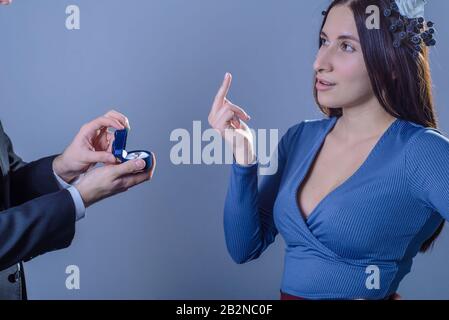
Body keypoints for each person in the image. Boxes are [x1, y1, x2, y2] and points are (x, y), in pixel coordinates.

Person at [208, 0, 447, 299]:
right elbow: (244, 248)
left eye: (346, 46)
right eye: (323, 41)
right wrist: (244, 159)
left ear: (392, 63)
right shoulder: (300, 138)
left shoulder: (424, 152)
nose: (320, 62)